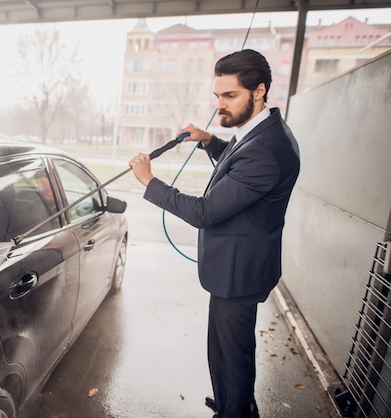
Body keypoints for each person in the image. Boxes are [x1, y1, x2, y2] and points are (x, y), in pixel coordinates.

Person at [128, 49, 300, 418]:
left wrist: (150, 182)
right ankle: (232, 401)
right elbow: (236, 170)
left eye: (230, 96)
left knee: (229, 354)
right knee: (230, 350)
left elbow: (204, 212)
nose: (220, 105)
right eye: (218, 96)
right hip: (241, 268)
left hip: (238, 273)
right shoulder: (260, 132)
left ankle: (233, 410)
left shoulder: (265, 150)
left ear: (259, 90)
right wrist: (209, 140)